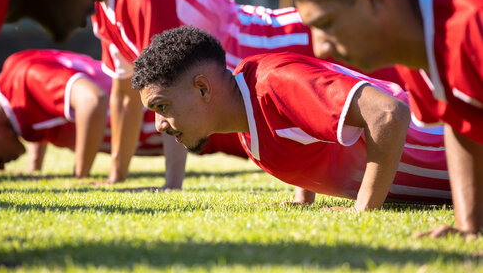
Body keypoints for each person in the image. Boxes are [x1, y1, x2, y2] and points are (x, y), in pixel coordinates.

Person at [90, 0, 403, 184]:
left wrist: (172, 185)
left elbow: (171, 87)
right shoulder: (102, 10)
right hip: (258, 57)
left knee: (401, 96)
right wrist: (116, 176)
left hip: (280, 42)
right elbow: (123, 95)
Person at [280, 0, 483, 237]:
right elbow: (465, 123)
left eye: (327, 24)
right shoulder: (419, 41)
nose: (319, 48)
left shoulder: (474, 23)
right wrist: (470, 229)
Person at [132, 26, 451, 210]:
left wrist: (364, 211)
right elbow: (304, 137)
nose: (160, 125)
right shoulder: (245, 113)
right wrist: (304, 197)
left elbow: (388, 115)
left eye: (163, 107)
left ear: (202, 88)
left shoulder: (273, 82)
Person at [0, 49, 246, 185]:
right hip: (186, 128)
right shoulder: (15, 79)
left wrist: (81, 174)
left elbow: (92, 101)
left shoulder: (26, 78)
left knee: (259, 131)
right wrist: (35, 166)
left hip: (188, 123)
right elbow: (40, 117)